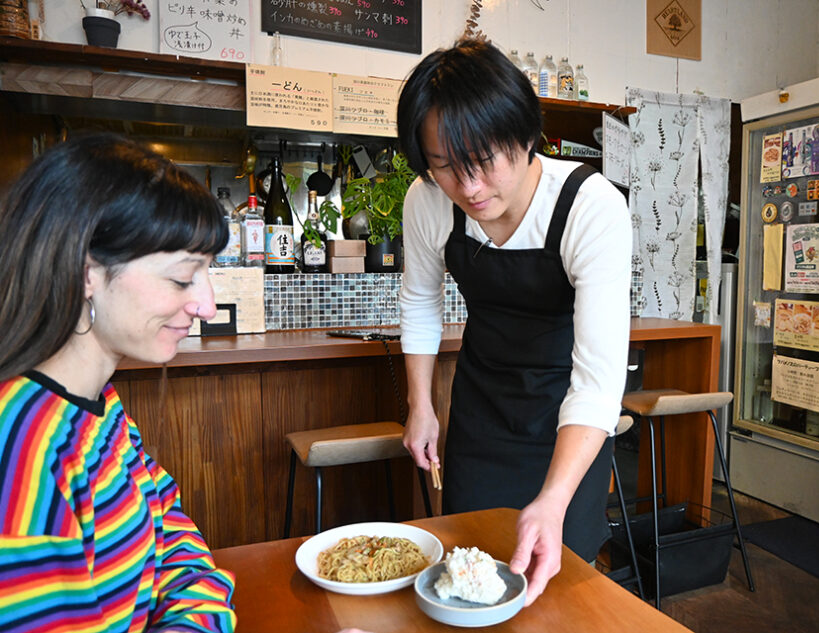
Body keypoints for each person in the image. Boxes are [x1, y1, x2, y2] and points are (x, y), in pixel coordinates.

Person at [0, 133, 374, 633]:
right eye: (182, 278)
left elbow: (174, 539)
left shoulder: (98, 407)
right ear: (86, 271)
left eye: (207, 272)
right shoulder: (23, 455)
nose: (207, 305)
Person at [396, 39, 632, 606]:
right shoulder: (427, 202)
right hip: (482, 408)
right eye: (446, 167)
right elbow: (421, 302)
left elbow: (599, 380)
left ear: (526, 136)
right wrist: (421, 406)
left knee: (559, 584)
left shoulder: (589, 206)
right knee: (468, 573)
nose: (469, 187)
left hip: (568, 417)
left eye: (483, 162)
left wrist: (552, 500)